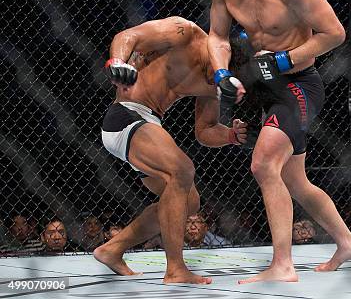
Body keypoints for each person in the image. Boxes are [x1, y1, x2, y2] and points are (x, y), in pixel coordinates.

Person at [208, 0, 351, 283]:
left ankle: (283, 264)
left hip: (299, 85)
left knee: (264, 164)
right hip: (264, 86)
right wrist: (221, 73)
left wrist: (284, 58)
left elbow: (335, 34)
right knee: (295, 181)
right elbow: (216, 37)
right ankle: (347, 242)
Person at [95, 16, 249, 285]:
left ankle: (113, 249)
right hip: (126, 114)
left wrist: (230, 136)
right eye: (217, 71)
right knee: (182, 169)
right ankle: (176, 269)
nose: (215, 78)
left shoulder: (218, 82)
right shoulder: (184, 32)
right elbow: (127, 36)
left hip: (149, 123)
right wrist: (118, 62)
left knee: (189, 202)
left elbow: (204, 131)